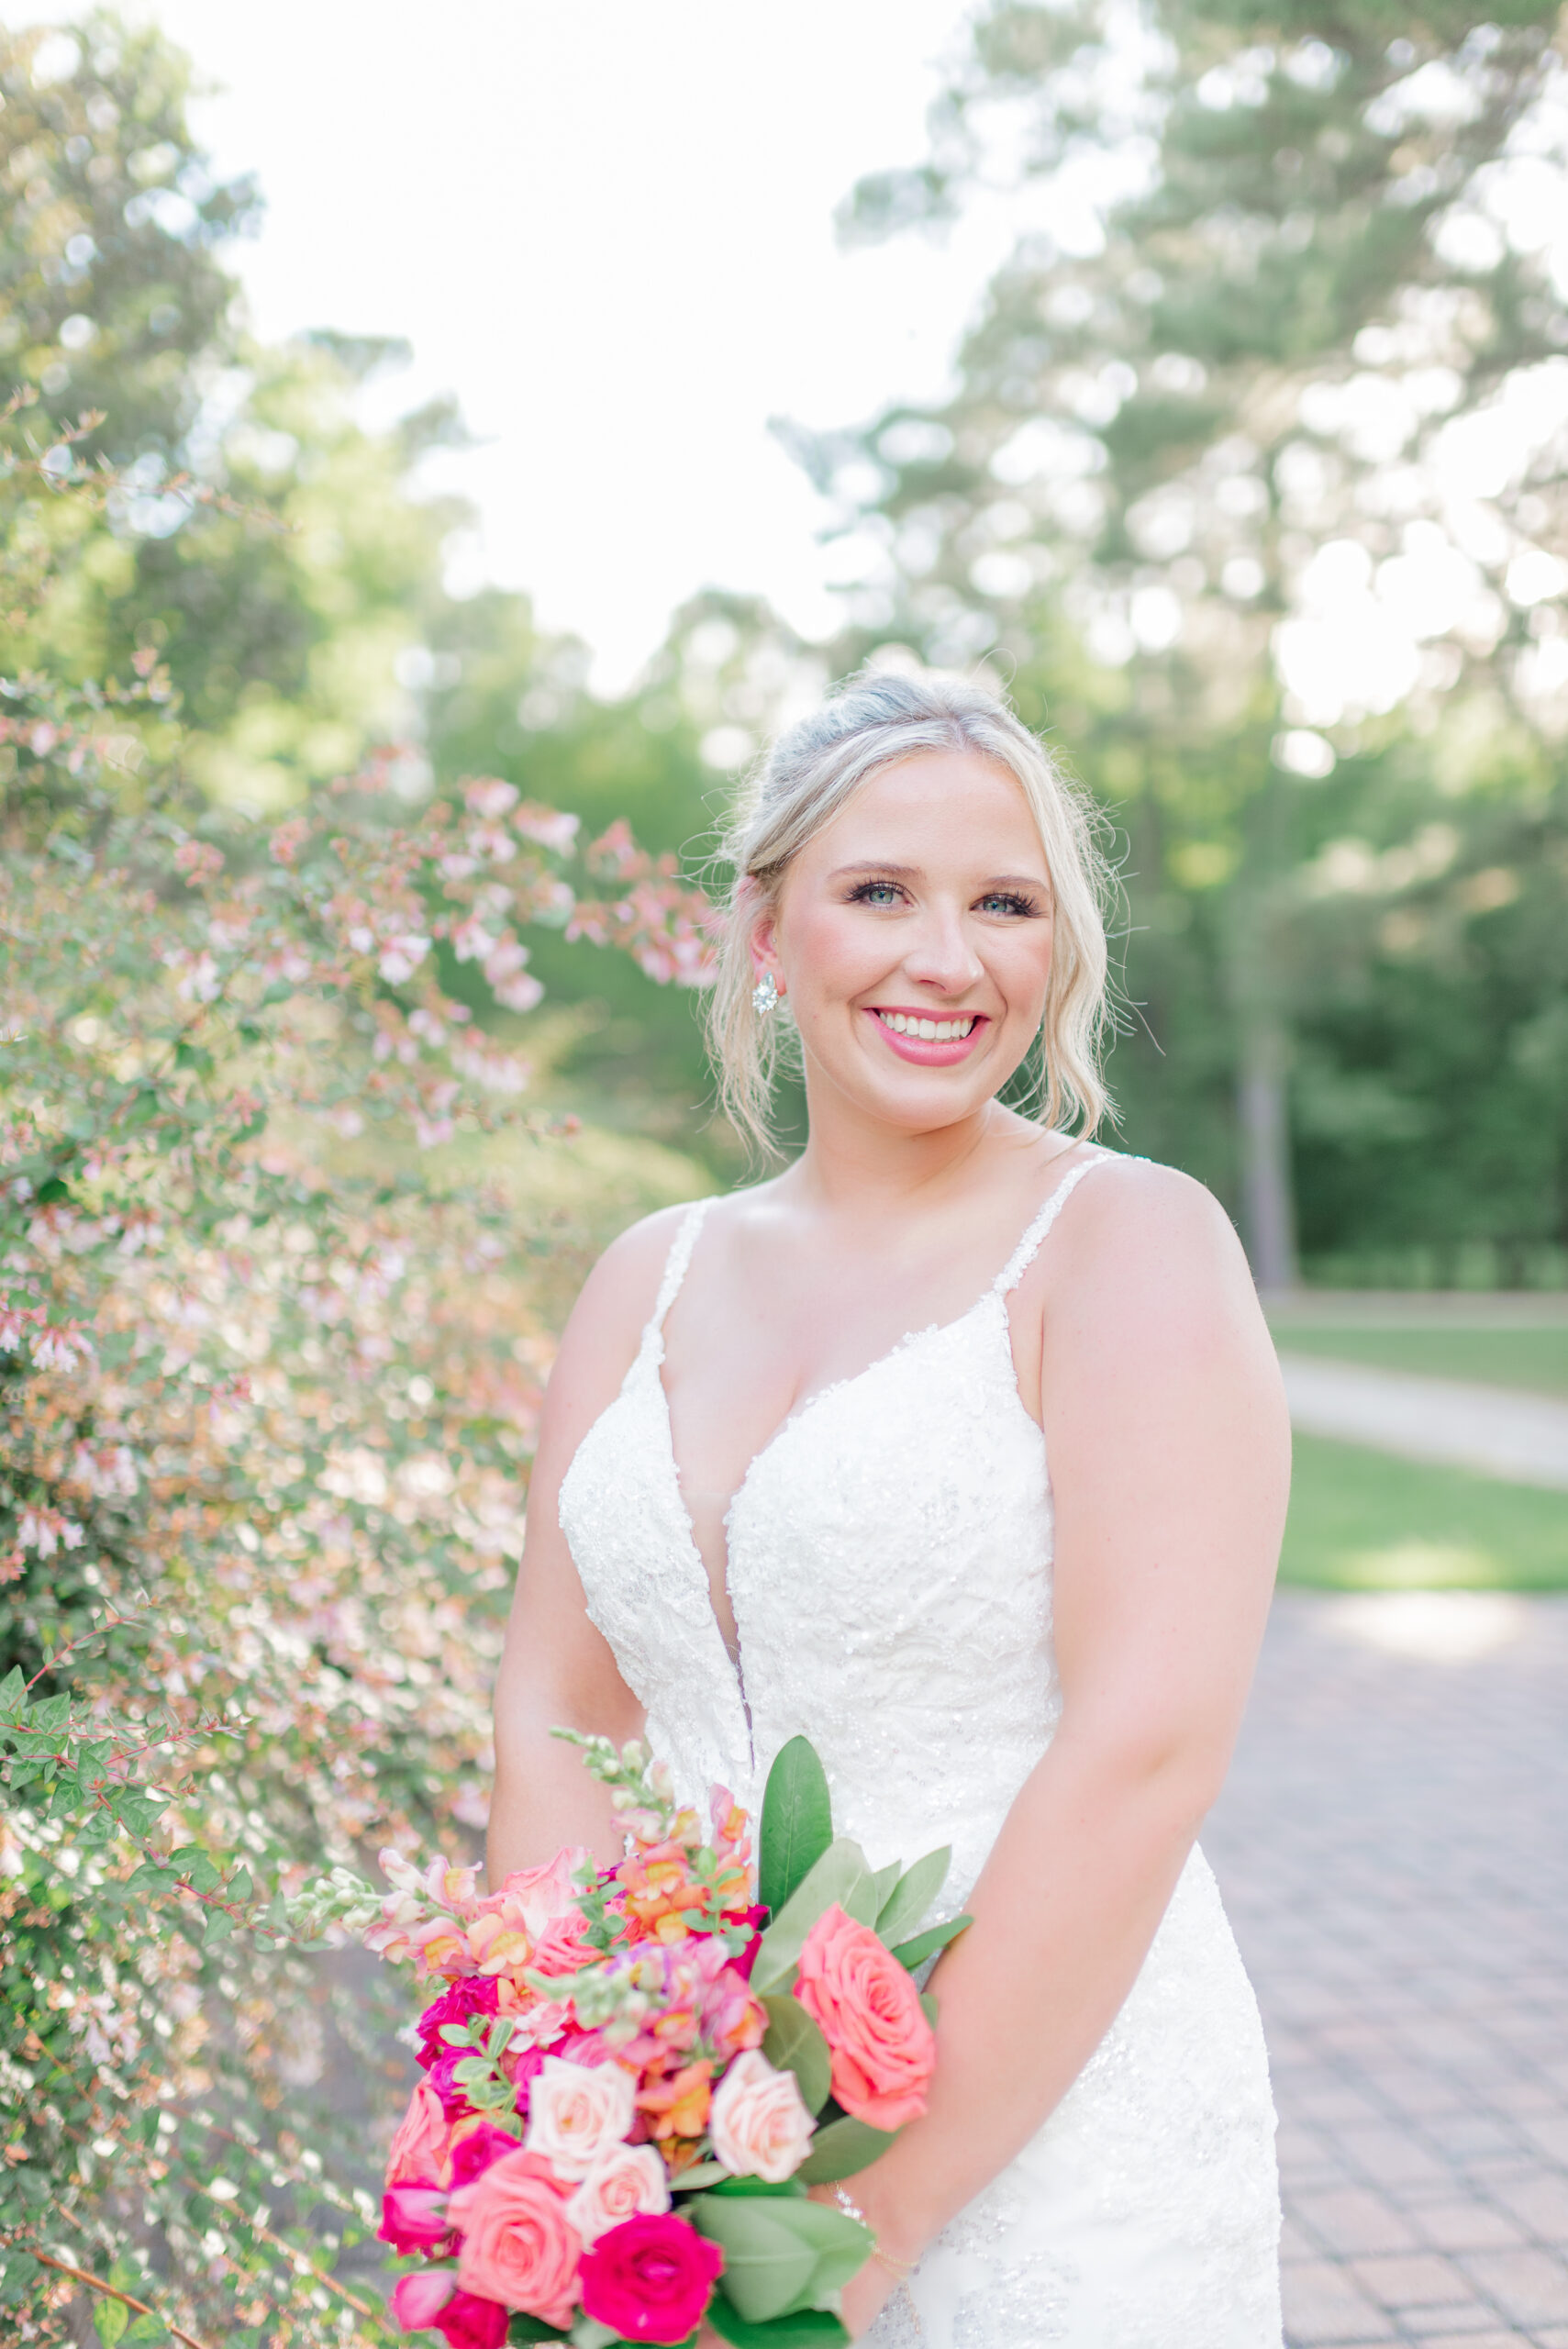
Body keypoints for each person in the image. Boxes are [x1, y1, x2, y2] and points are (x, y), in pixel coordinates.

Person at [489, 667, 1289, 2347]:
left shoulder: (1124, 1244)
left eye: (1005, 904)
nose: (948, 958)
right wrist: (559, 2122)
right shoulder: (648, 1274)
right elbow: (555, 1712)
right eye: (879, 894)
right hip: (680, 2138)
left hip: (1046, 2138)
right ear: (767, 935)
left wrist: (854, 2230)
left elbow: (1145, 1745)